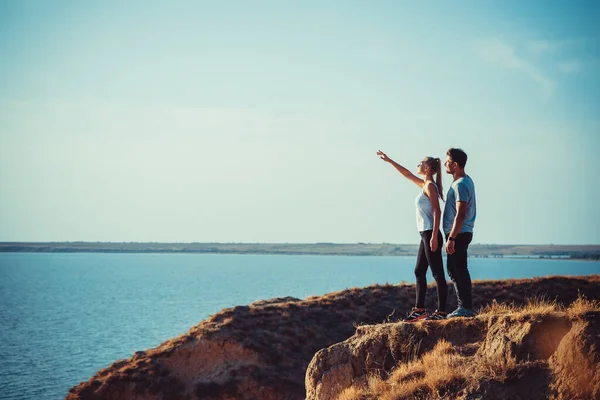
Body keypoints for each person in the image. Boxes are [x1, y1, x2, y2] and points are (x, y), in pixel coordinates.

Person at [377, 150, 448, 322]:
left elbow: (437, 211)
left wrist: (434, 237)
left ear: (428, 168)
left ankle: (441, 312)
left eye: (421, 163)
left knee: (437, 273)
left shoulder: (430, 186)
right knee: (419, 271)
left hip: (431, 232)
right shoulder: (425, 185)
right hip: (425, 233)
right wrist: (390, 160)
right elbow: (407, 174)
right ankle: (420, 310)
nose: (418, 165)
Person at [443, 148, 477, 318]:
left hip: (459, 233)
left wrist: (451, 237)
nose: (445, 164)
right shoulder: (462, 181)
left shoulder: (461, 184)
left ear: (455, 165)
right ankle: (464, 307)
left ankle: (465, 308)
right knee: (454, 269)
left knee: (459, 269)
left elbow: (461, 213)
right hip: (460, 233)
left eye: (447, 161)